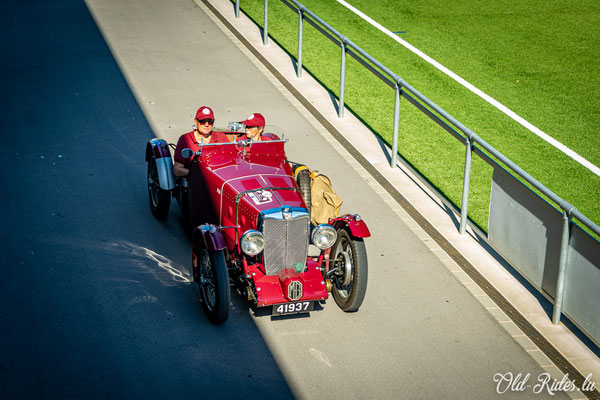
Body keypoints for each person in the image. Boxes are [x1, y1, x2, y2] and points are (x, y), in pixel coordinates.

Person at [173, 106, 229, 177]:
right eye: (203, 121)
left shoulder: (221, 137)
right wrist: (198, 173)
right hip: (194, 181)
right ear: (196, 122)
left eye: (210, 121)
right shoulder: (185, 139)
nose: (207, 124)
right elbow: (177, 170)